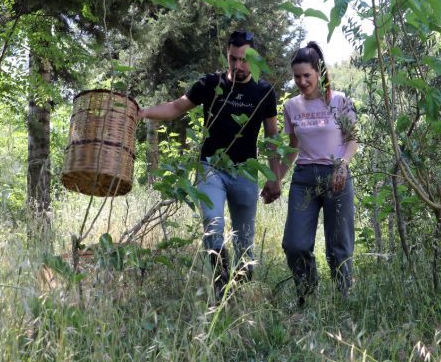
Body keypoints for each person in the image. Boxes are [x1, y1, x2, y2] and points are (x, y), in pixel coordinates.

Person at [139, 30, 281, 301]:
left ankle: (234, 297)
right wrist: (143, 112)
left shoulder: (264, 92)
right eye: (232, 59)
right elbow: (176, 108)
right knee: (213, 227)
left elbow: (273, 138)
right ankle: (220, 285)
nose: (238, 66)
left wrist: (275, 177)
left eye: (244, 60)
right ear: (226, 55)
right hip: (211, 168)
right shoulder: (210, 84)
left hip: (246, 172)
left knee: (245, 250)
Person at [276, 41, 358, 306]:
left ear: (319, 72)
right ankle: (307, 292)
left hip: (337, 178)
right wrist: (276, 178)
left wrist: (342, 164)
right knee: (294, 244)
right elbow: (292, 148)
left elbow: (352, 139)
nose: (301, 81)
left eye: (306, 76)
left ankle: (343, 302)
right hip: (304, 179)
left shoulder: (339, 101)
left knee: (339, 247)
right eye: (297, 76)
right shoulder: (291, 107)